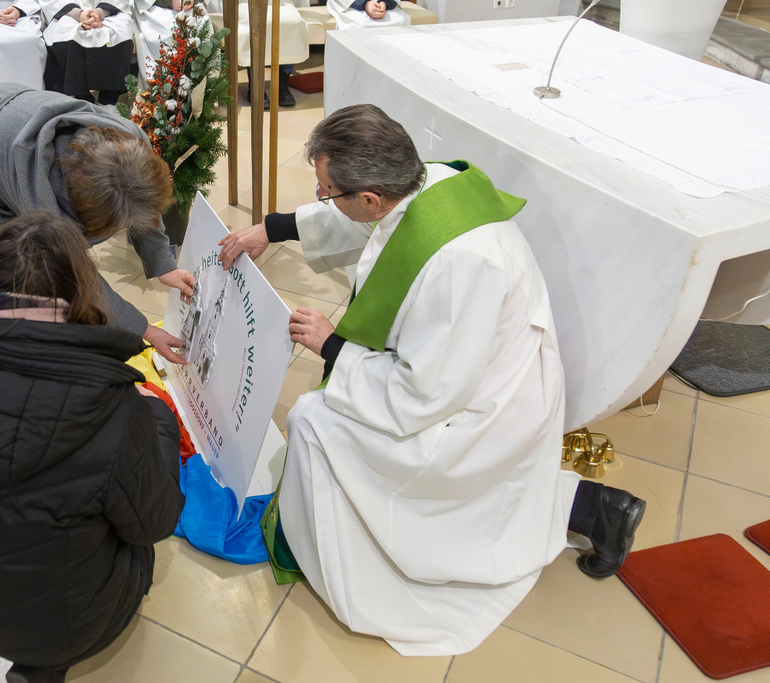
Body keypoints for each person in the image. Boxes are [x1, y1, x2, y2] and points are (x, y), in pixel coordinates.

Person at [217, 104, 646, 655]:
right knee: (333, 414)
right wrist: (270, 230)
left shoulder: (460, 264)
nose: (325, 200)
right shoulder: (427, 180)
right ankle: (597, 508)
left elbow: (424, 394)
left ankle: (349, 556)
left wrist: (332, 346)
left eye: (328, 192)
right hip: (471, 368)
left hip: (488, 403)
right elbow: (373, 233)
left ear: (369, 197)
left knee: (315, 422)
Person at [0, 211, 186, 683]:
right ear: (81, 298)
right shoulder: (111, 405)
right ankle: (43, 665)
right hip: (69, 627)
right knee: (138, 540)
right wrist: (154, 414)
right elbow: (154, 524)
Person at [0, 81, 192, 364]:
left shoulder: (130, 141)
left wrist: (163, 264)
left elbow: (142, 200)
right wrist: (143, 330)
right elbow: (74, 273)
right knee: (26, 255)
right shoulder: (43, 208)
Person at [40, 0, 136, 104]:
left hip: (109, 12)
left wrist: (99, 13)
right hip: (70, 12)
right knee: (66, 33)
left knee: (119, 33)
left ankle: (109, 101)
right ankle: (80, 98)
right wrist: (79, 14)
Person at [326, 0, 409, 29]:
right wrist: (364, 4)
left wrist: (385, 2)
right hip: (351, 5)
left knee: (398, 22)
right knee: (360, 25)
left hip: (381, 5)